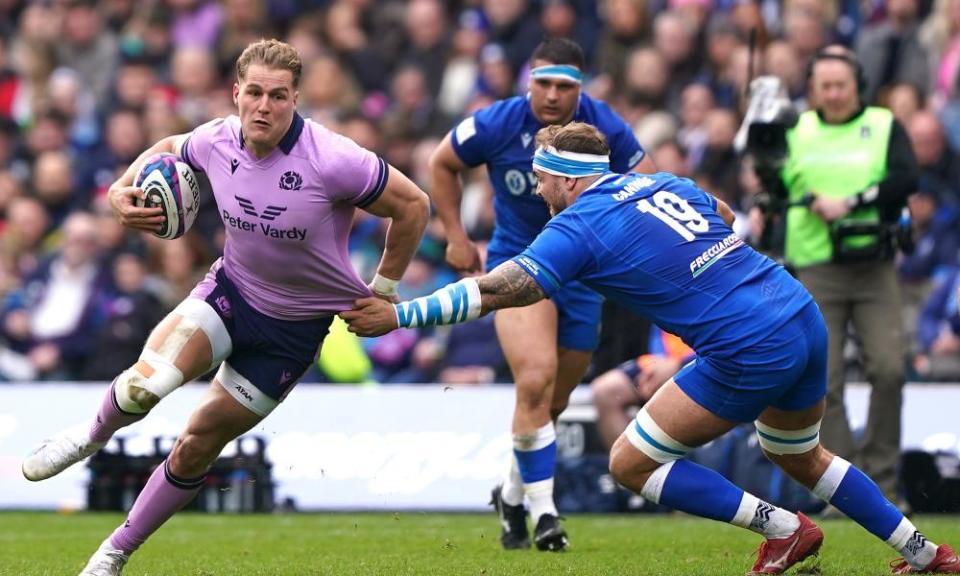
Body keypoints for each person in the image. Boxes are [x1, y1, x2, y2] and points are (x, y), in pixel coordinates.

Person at [342, 122, 960, 574]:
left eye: (540, 179)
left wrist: (401, 314)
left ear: (562, 177)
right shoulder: (662, 183)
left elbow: (502, 288)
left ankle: (784, 528)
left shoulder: (577, 224)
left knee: (629, 464)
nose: (537, 190)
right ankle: (927, 555)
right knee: (798, 453)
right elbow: (719, 212)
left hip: (746, 344)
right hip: (797, 312)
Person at [21, 39, 430, 576]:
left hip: (296, 331)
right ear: (236, 93)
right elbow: (170, 144)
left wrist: (385, 290)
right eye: (255, 93)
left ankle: (113, 553)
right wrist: (123, 187)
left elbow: (413, 206)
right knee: (149, 383)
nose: (265, 106)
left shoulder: (334, 160)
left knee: (198, 444)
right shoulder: (216, 140)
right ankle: (89, 437)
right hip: (230, 294)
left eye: (278, 97)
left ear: (295, 99)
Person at [429, 37, 656, 551]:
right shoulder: (496, 123)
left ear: (581, 87)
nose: (553, 94)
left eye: (565, 85)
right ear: (528, 80)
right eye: (544, 83)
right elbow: (443, 163)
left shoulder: (607, 129)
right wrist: (457, 237)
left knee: (551, 403)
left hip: (582, 271)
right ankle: (546, 512)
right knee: (535, 379)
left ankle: (511, 493)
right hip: (518, 264)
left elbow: (640, 187)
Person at [770, 45, 917, 507]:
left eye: (842, 86)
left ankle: (884, 478)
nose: (833, 94)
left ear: (858, 88)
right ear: (812, 90)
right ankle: (847, 488)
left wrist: (851, 203)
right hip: (817, 267)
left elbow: (905, 178)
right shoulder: (797, 129)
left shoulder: (884, 124)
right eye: (825, 86)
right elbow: (774, 181)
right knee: (824, 380)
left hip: (874, 265)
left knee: (889, 368)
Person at [590, 325, 693, 450]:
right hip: (663, 359)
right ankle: (630, 465)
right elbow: (659, 330)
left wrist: (679, 365)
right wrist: (659, 364)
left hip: (707, 361)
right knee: (606, 390)